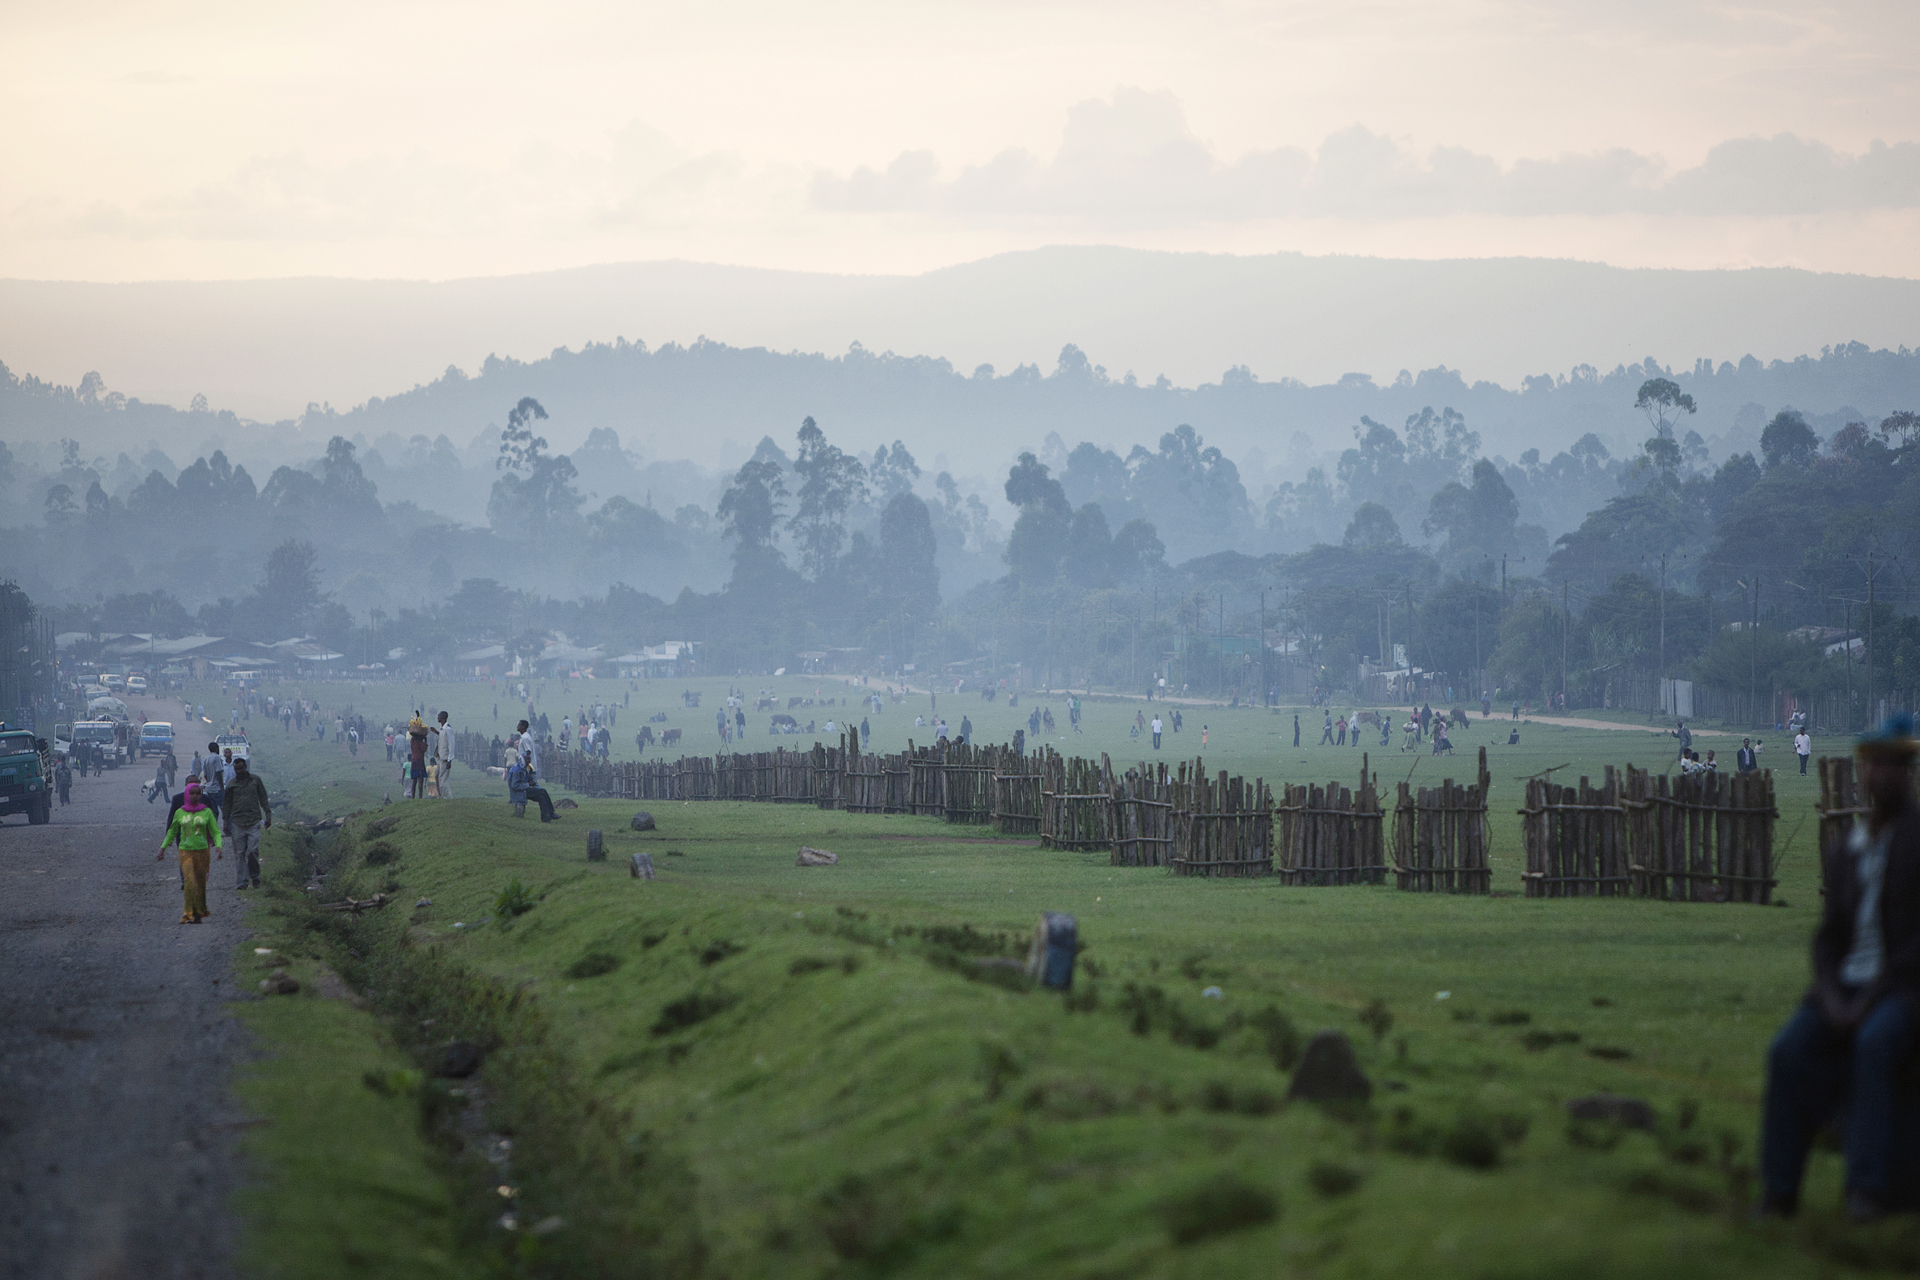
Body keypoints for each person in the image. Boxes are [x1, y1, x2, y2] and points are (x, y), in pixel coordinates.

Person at [1758, 714, 1920, 1222]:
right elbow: (1829, 938)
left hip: (1903, 988)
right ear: (1864, 772)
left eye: (1894, 767)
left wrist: (1869, 1001)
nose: (1882, 777)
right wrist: (1829, 996)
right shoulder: (1844, 851)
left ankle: (1867, 1189)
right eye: (1874, 766)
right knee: (1787, 1051)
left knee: (1874, 1044)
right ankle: (1779, 1191)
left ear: (1907, 773)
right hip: (1844, 988)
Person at [158, 781, 222, 924]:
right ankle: (188, 913)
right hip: (185, 852)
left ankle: (198, 912)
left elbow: (215, 830)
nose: (194, 796)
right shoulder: (180, 812)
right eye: (191, 793)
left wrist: (218, 846)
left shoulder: (206, 812)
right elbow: (172, 832)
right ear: (187, 794)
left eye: (197, 793)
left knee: (200, 883)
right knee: (189, 882)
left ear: (201, 795)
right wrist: (163, 848)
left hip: (202, 851)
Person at [225, 755, 272, 890]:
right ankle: (242, 882)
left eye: (241, 768)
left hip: (253, 822)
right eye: (236, 769)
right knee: (239, 854)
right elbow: (227, 804)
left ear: (245, 767)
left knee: (252, 851)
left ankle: (255, 876)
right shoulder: (231, 784)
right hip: (237, 823)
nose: (239, 771)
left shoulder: (255, 780)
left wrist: (268, 815)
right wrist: (225, 822)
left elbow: (263, 798)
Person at [508, 749, 558, 822]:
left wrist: (530, 775)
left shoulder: (523, 768)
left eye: (529, 759)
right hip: (520, 793)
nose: (529, 761)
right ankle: (551, 813)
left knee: (542, 797)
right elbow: (514, 786)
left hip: (524, 790)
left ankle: (546, 818)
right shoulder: (517, 770)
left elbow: (529, 779)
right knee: (542, 791)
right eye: (527, 759)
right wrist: (528, 784)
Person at [431, 710, 456, 798]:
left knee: (443, 780)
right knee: (437, 777)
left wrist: (450, 760)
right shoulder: (443, 729)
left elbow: (451, 744)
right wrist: (436, 732)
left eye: (439, 716)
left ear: (443, 718)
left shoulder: (448, 729)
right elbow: (442, 738)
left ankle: (447, 797)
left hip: (445, 759)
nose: (438, 718)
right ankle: (441, 796)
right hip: (440, 757)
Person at [407, 714, 429, 800]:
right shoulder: (419, 742)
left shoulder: (412, 741)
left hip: (413, 760)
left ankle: (413, 797)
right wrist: (425, 740)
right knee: (420, 779)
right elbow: (424, 749)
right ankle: (420, 796)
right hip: (419, 761)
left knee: (414, 781)